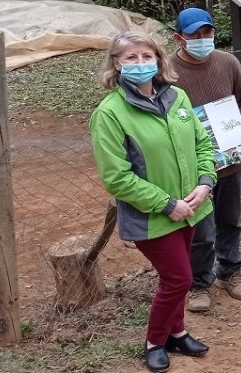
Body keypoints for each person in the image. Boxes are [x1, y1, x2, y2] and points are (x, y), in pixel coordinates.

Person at [90, 31, 215, 372]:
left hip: (192, 207)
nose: (141, 64)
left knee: (176, 277)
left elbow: (203, 145)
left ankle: (177, 332)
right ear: (116, 64)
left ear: (160, 60)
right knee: (179, 279)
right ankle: (155, 341)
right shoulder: (110, 113)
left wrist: (205, 183)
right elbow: (117, 177)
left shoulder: (178, 98)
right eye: (131, 58)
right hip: (153, 215)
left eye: (147, 56)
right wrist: (167, 203)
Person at [170, 8, 241, 313]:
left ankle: (230, 272)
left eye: (207, 33)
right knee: (200, 227)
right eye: (195, 35)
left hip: (231, 162)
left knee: (230, 220)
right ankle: (199, 283)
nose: (203, 39)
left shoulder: (228, 62)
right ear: (178, 38)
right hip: (192, 169)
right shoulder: (165, 71)